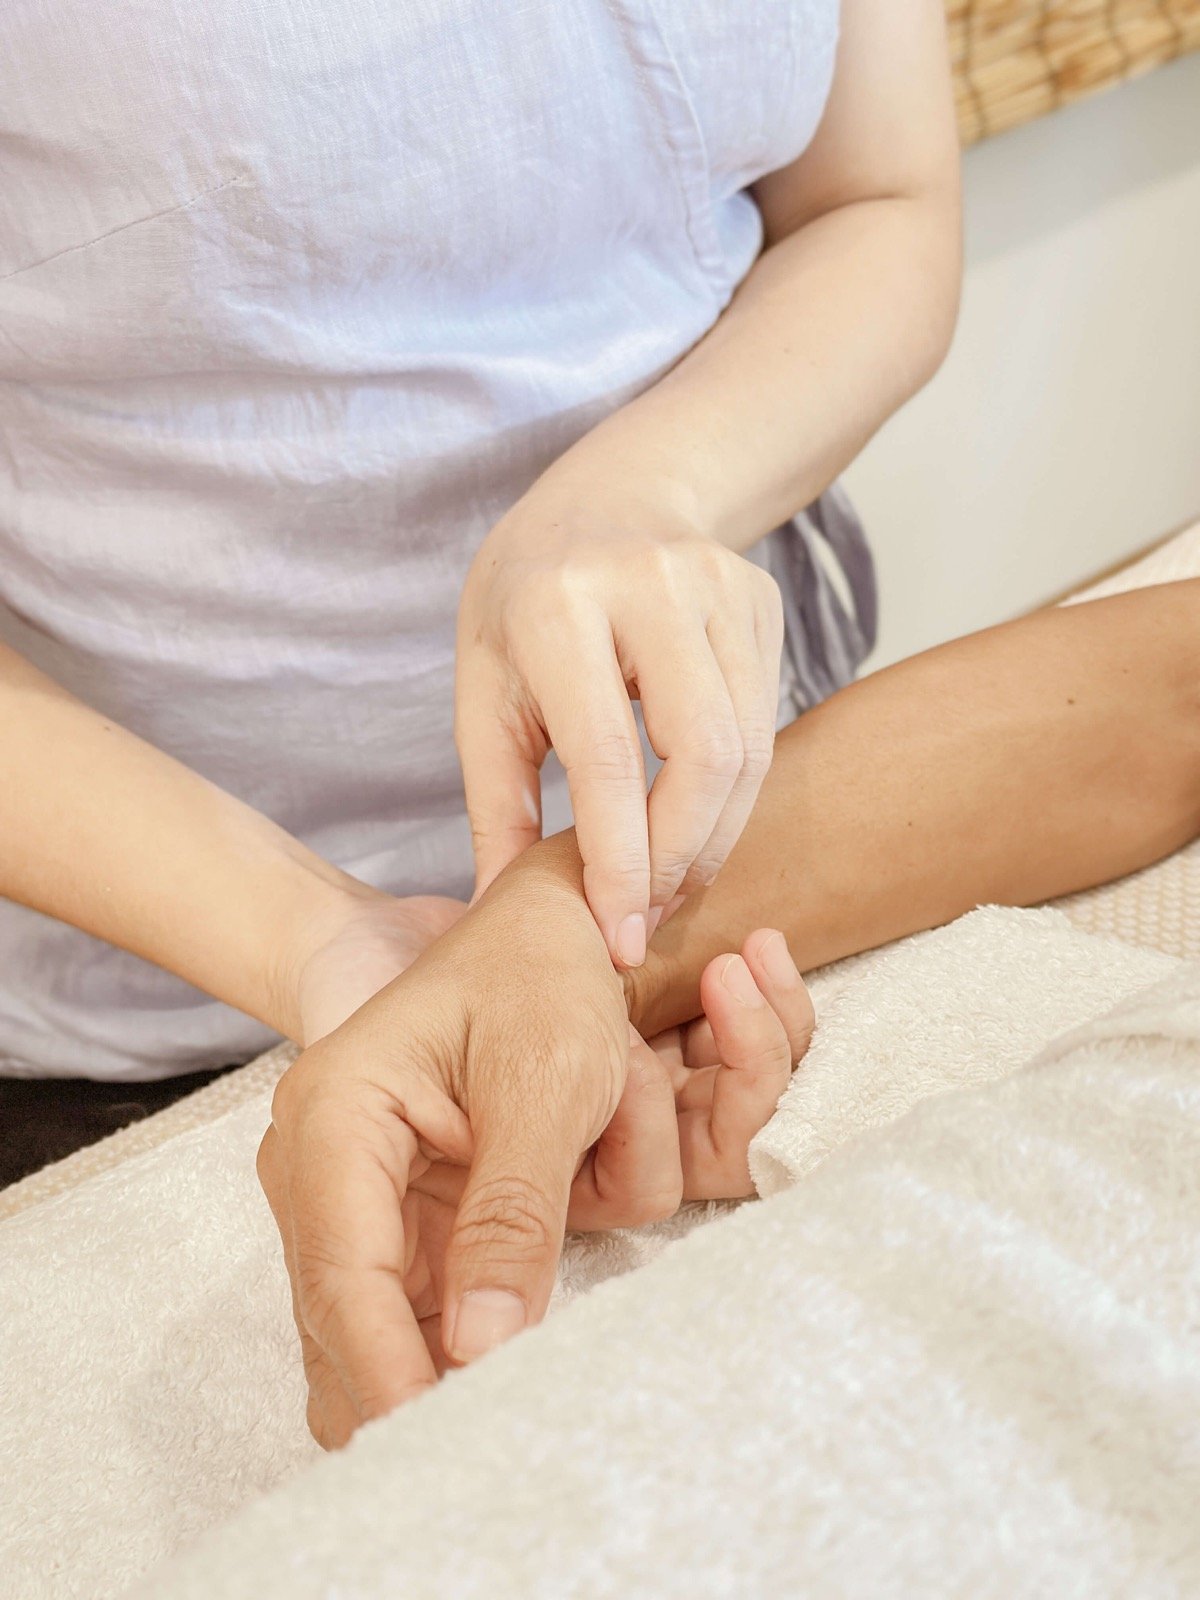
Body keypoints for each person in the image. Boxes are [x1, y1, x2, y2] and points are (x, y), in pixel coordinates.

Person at [2, 0, 961, 1431]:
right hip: (151, 1018)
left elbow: (879, 202)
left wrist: (637, 492)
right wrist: (322, 938)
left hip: (745, 894)